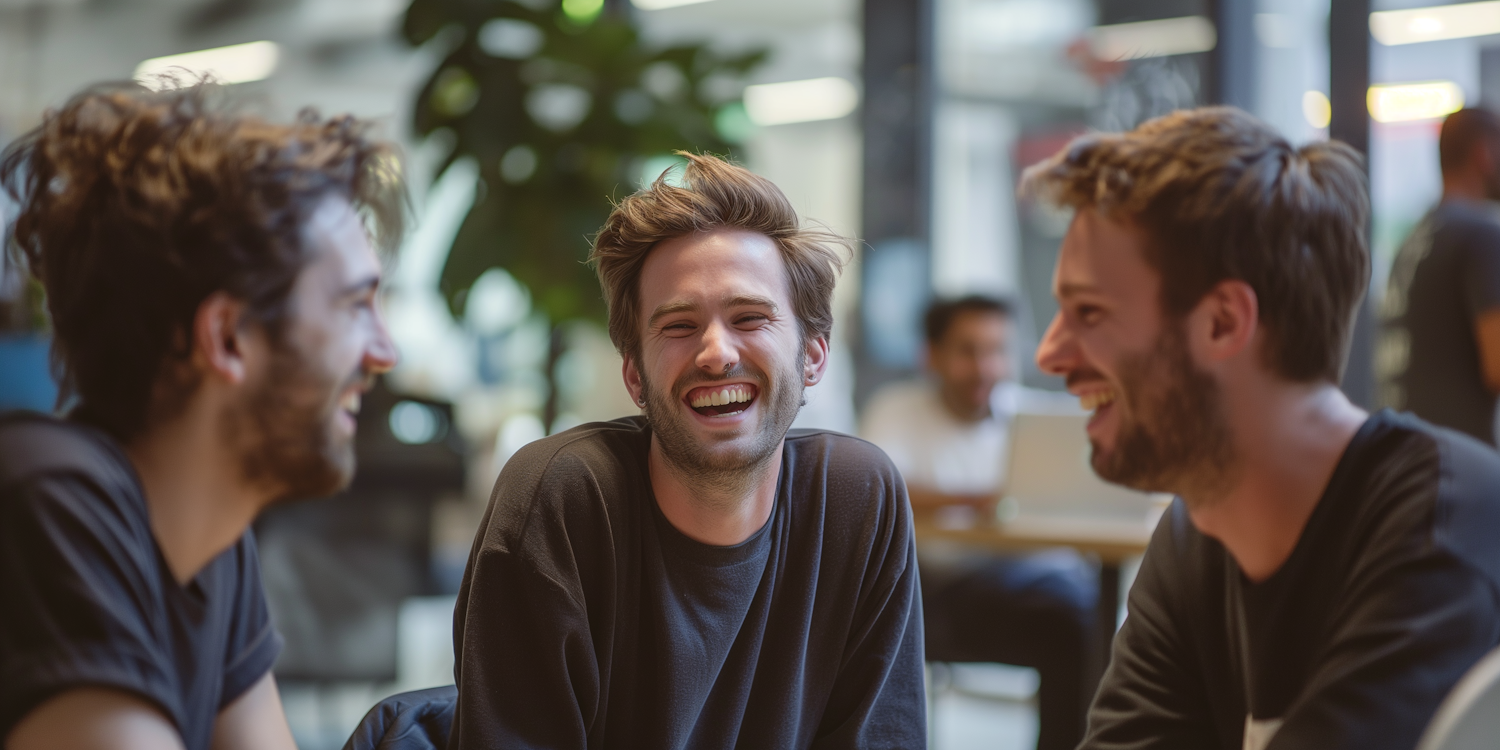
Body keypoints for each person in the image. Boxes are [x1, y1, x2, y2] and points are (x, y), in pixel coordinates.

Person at [1023, 106, 1500, 750]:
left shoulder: (1444, 529)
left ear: (1223, 322)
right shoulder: (1199, 535)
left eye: (1089, 311)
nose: (1050, 354)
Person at [447, 153, 926, 749]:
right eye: (677, 326)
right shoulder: (564, 496)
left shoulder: (857, 498)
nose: (715, 353)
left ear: (812, 357)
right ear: (634, 376)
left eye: (750, 317)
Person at [0, 80, 403, 750]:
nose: (384, 353)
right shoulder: (45, 497)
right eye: (354, 305)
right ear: (228, 338)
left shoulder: (210, 544)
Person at [861, 295, 1096, 750]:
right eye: (969, 351)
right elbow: (879, 489)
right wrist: (982, 500)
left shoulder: (1034, 416)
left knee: (1094, 619)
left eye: (998, 350)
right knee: (1079, 621)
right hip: (937, 594)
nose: (986, 367)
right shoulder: (897, 410)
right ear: (931, 355)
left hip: (1036, 582)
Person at [1377, 107, 1500, 446]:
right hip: (1460, 467)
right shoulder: (1481, 235)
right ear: (1483, 153)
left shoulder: (1414, 241)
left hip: (1407, 459)